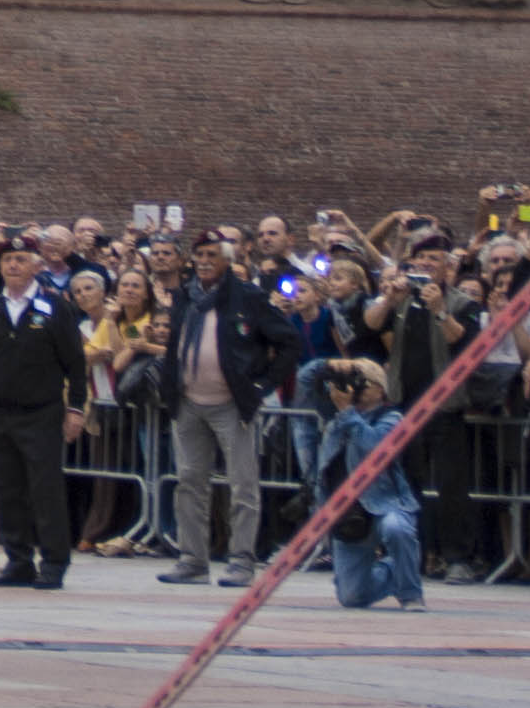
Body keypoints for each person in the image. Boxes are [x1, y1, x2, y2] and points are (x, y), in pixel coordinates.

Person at [158, 236, 297, 589]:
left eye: (213, 256)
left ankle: (241, 560)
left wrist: (261, 386)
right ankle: (192, 560)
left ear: (227, 260)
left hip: (231, 403)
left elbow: (288, 341)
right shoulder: (186, 295)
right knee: (190, 482)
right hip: (188, 401)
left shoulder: (247, 297)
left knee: (242, 484)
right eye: (200, 254)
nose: (204, 261)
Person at [0, 236, 91, 589]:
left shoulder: (53, 307)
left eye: (21, 259)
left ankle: (53, 562)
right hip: (1, 411)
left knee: (45, 489)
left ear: (36, 265)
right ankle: (18, 560)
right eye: (7, 260)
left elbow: (75, 364)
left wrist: (76, 408)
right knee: (9, 488)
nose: (14, 266)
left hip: (42, 411)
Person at [308, 357, 425, 610]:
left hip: (385, 503)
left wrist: (349, 413)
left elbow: (376, 449)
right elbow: (308, 380)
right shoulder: (335, 416)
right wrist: (334, 368)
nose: (354, 387)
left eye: (362, 381)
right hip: (348, 513)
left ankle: (410, 593)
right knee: (351, 597)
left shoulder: (392, 418)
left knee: (397, 529)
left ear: (380, 390)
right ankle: (396, 571)